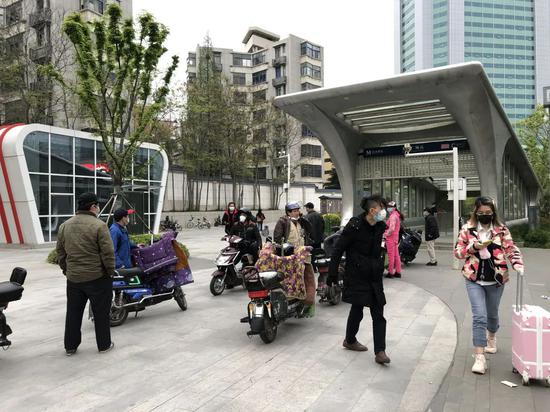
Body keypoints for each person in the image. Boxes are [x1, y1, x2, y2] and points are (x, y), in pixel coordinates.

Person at [454, 196, 524, 375]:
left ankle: (491, 336)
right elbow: (458, 252)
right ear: (475, 213)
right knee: (479, 316)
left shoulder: (501, 230)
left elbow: (510, 248)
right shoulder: (467, 229)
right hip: (474, 279)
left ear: (493, 212)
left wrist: (517, 264)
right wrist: (473, 247)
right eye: (481, 212)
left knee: (492, 314)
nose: (485, 215)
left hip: (496, 280)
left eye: (488, 212)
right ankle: (479, 357)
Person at [328, 195, 391, 365]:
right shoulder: (355, 226)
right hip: (357, 275)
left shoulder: (380, 226)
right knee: (357, 308)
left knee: (378, 312)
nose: (384, 211)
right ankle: (350, 340)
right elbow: (338, 248)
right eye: (382, 208)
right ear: (372, 210)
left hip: (374, 275)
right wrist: (332, 273)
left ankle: (380, 351)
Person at [56, 192, 116, 356]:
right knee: (101, 313)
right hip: (97, 278)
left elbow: (60, 252)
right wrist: (110, 272)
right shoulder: (99, 226)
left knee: (73, 313)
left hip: (73, 279)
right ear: (93, 207)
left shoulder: (65, 226)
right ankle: (104, 345)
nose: (99, 208)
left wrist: (66, 270)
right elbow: (108, 253)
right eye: (98, 205)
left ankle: (70, 347)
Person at [273, 201, 316, 310]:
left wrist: (304, 220)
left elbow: (309, 231)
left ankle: (307, 301)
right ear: (288, 212)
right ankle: (291, 300)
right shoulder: (283, 222)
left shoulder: (301, 222)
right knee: (291, 280)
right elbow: (277, 239)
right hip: (289, 257)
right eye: (294, 211)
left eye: (298, 210)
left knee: (307, 278)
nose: (297, 213)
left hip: (303, 255)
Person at [384, 201, 402, 279]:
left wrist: (385, 234)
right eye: (388, 207)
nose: (388, 208)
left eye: (390, 207)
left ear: (394, 208)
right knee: (396, 255)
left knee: (390, 255)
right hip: (395, 238)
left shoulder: (392, 216)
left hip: (390, 238)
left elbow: (391, 228)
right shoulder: (396, 215)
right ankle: (398, 272)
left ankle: (390, 272)